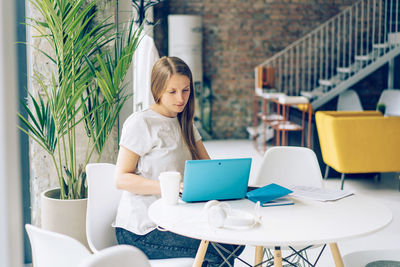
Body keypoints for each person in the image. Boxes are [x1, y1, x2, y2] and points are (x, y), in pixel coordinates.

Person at [114, 56, 244, 266]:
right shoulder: (140, 123)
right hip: (141, 230)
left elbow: (208, 168)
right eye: (172, 92)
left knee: (234, 241)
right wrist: (169, 187)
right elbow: (121, 179)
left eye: (185, 90)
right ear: (157, 90)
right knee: (218, 249)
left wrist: (230, 184)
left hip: (174, 219)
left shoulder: (184, 122)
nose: (181, 98)